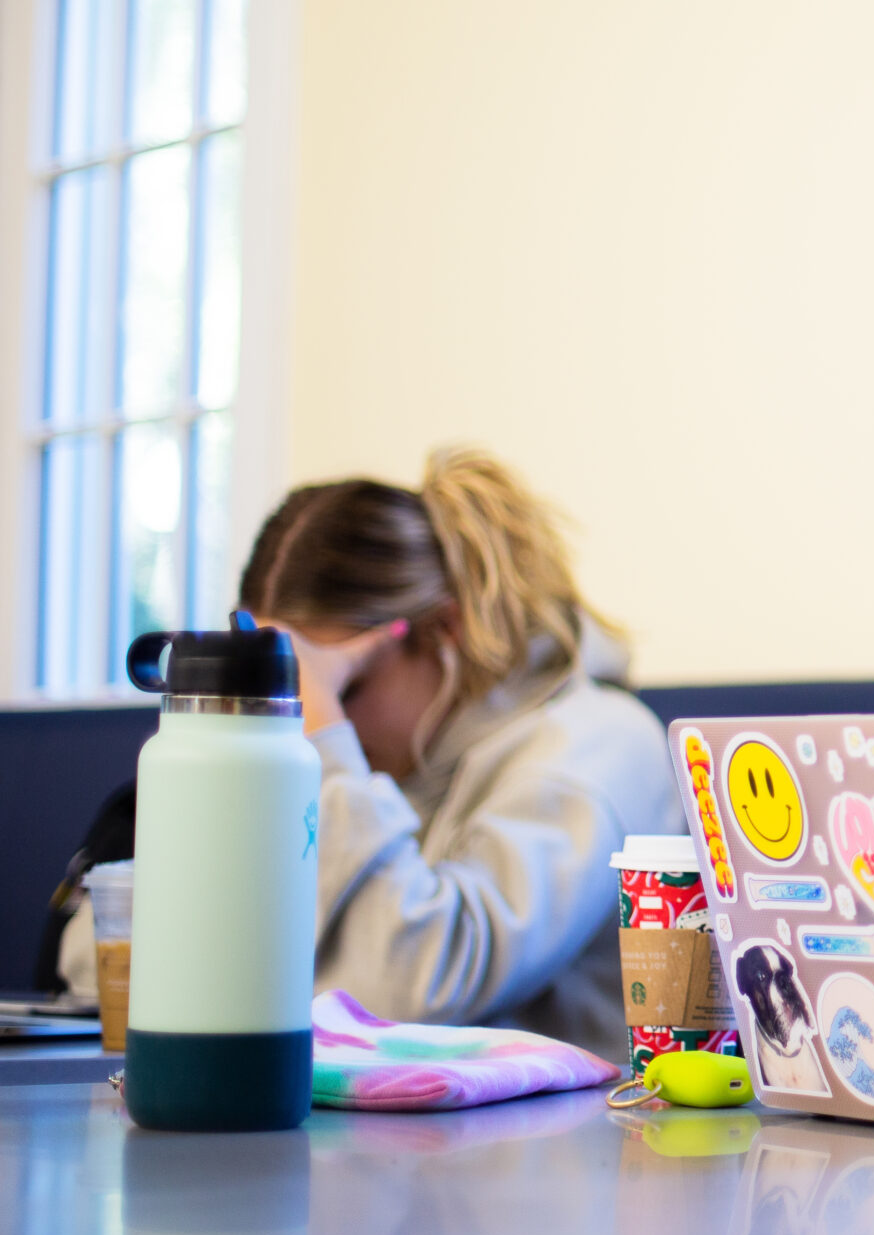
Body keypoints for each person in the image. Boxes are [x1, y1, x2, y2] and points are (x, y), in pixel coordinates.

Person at [241, 449, 679, 1058]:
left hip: (578, 1148)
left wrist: (328, 743)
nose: (309, 718)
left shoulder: (600, 746)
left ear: (444, 630)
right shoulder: (405, 765)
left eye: (341, 686)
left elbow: (409, 990)